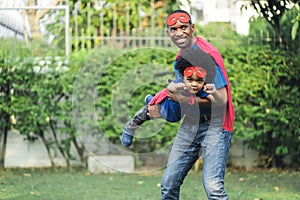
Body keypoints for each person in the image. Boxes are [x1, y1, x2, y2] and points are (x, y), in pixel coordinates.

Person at [147, 10, 234, 199]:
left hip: (216, 126)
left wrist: (184, 100)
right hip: (191, 124)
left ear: (192, 28)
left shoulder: (207, 54)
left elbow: (222, 102)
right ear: (168, 32)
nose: (179, 33)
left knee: (213, 187)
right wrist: (162, 109)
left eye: (183, 27)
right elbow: (186, 103)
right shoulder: (180, 59)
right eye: (173, 29)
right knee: (168, 184)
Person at [121, 50, 215, 147]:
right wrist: (176, 87)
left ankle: (149, 98)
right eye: (190, 80)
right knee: (144, 114)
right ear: (183, 77)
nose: (194, 84)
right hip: (164, 106)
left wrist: (213, 90)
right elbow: (170, 87)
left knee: (169, 114)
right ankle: (129, 128)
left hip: (175, 115)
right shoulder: (181, 83)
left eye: (199, 81)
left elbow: (214, 101)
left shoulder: (202, 89)